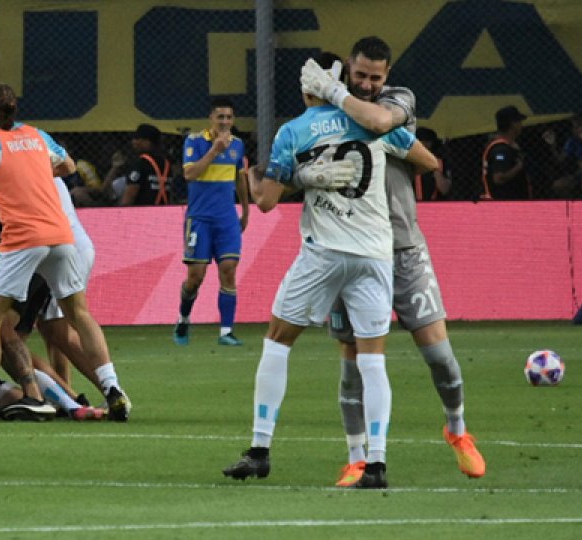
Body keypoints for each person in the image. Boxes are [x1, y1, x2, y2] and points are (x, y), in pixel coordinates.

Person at [223, 53, 438, 489]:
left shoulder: (292, 132)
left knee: (278, 341)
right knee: (372, 358)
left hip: (324, 253)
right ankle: (376, 465)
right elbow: (429, 162)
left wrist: (301, 176)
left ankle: (260, 449)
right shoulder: (372, 122)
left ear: (310, 85)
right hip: (376, 254)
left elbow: (265, 202)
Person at [300, 36, 486, 484]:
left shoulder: (397, 100)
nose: (367, 83)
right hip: (349, 249)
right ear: (349, 67)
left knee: (440, 354)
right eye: (359, 75)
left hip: (402, 247)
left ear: (387, 76)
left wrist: (335, 95)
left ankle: (457, 430)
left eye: (375, 77)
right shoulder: (323, 119)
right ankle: (357, 457)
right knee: (353, 363)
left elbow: (398, 135)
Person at [0, 83, 131, 421]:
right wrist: (30, 170)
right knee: (78, 314)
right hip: (62, 235)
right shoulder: (36, 136)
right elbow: (69, 166)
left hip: (23, 236)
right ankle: (112, 388)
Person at [173, 97, 250, 346]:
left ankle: (226, 332)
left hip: (226, 218)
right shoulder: (195, 141)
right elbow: (189, 173)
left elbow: (240, 179)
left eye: (229, 117)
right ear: (211, 119)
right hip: (200, 218)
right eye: (220, 117)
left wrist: (246, 210)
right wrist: (214, 151)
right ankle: (184, 318)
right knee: (196, 276)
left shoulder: (238, 145)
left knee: (228, 270)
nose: (225, 122)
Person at [481, 106, 531, 200]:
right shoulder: (501, 149)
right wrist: (518, 167)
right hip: (505, 203)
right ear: (513, 124)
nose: (521, 125)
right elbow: (498, 178)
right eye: (519, 122)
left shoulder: (508, 146)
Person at [120, 124, 171, 206]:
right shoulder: (166, 163)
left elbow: (131, 192)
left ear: (147, 142)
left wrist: (122, 214)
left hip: (142, 210)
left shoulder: (141, 163)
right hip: (163, 209)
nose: (133, 142)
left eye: (137, 139)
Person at [414, 127, 451, 200]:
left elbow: (445, 190)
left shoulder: (440, 162)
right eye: (420, 141)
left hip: (434, 204)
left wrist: (435, 169)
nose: (423, 145)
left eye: (427, 141)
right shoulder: (406, 162)